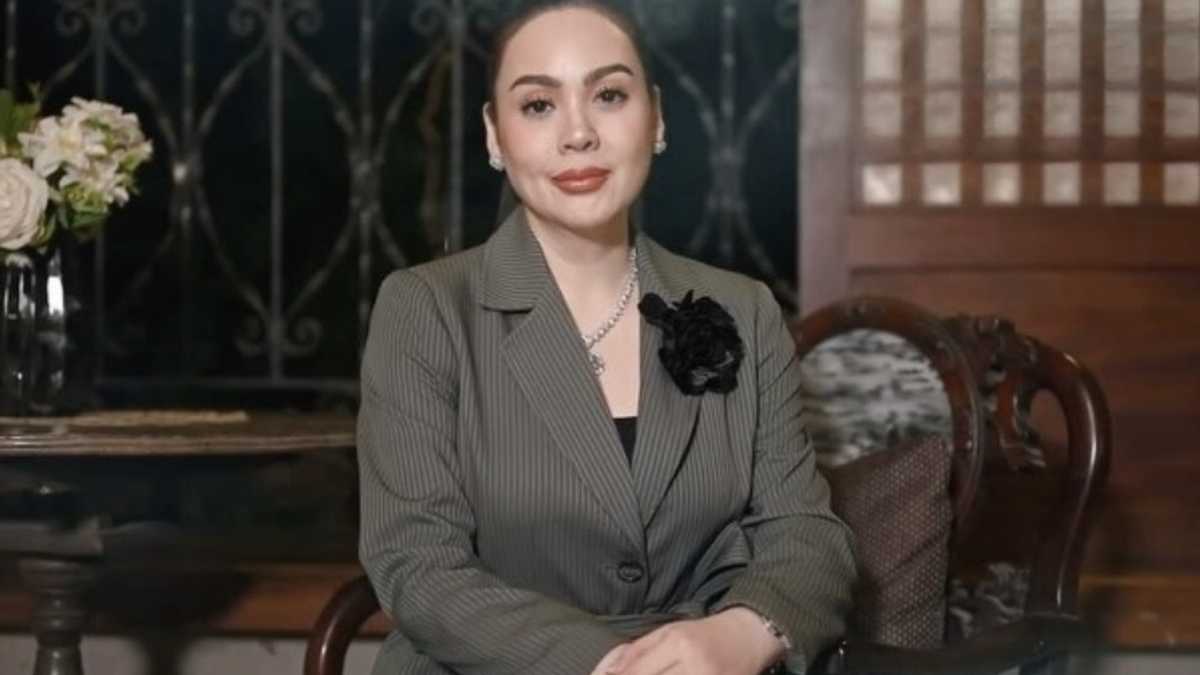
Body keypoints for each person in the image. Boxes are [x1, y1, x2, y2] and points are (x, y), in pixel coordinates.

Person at [357, 1, 856, 673]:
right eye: (539, 105)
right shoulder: (425, 310)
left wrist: (742, 634)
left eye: (609, 96)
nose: (578, 134)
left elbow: (806, 534)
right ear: (494, 136)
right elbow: (418, 568)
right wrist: (620, 666)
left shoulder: (745, 308)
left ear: (657, 118)